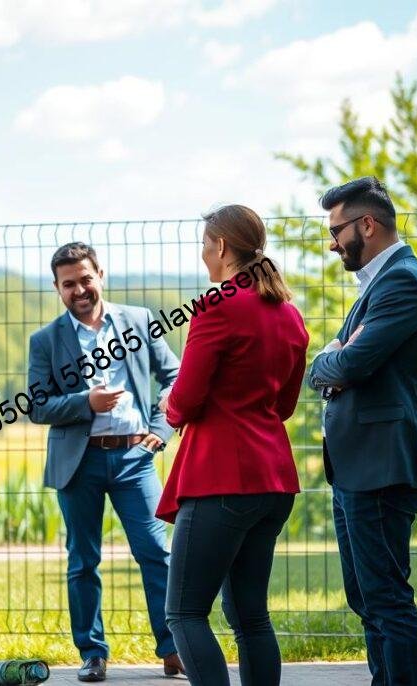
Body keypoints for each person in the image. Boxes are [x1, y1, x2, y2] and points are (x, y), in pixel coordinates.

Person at [157, 205, 309, 686]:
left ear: (221, 246)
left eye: (205, 245)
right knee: (250, 617)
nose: (203, 254)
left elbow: (187, 399)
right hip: (274, 481)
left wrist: (169, 405)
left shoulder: (216, 306)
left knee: (184, 612)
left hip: (221, 478)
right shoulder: (290, 314)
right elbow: (285, 406)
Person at [26, 242, 183, 682]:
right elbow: (37, 406)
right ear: (57, 287)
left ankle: (173, 648)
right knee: (83, 560)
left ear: (100, 275)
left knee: (156, 554)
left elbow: (175, 376)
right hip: (79, 464)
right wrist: (85, 402)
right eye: (68, 284)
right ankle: (92, 653)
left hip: (136, 457)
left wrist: (161, 430)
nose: (79, 290)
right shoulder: (45, 340)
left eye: (85, 279)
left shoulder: (139, 321)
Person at [307, 176, 417, 686]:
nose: (332, 243)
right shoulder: (379, 284)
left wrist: (332, 359)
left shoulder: (402, 282)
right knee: (366, 596)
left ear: (367, 224)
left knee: (385, 597)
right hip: (358, 467)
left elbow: (348, 364)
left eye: (336, 231)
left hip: (382, 466)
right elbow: (332, 365)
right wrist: (332, 359)